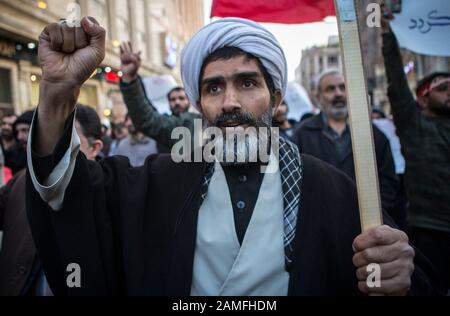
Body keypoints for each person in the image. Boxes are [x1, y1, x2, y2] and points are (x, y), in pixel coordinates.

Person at [26, 16, 437, 296]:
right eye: (214, 88)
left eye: (247, 83)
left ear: (275, 98)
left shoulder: (334, 189)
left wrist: (397, 274)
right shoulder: (158, 180)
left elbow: (392, 274)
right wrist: (58, 92)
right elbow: (71, 191)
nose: (230, 102)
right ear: (199, 104)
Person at [381, 4, 450, 293]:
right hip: (429, 230)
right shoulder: (413, 124)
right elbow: (397, 82)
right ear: (422, 99)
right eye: (443, 88)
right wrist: (385, 34)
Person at [0, 104, 103, 295]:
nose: (53, 145)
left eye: (66, 138)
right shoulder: (20, 182)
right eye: (46, 135)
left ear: (94, 147)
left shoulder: (110, 194)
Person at [292, 70, 401, 226]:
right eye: (330, 89)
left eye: (343, 87)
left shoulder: (373, 134)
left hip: (366, 225)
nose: (339, 94)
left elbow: (388, 181)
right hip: (320, 224)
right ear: (318, 97)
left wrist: (375, 215)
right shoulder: (303, 134)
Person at [119, 42, 202, 151]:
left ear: (190, 101)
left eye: (181, 98)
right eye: (173, 99)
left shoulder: (197, 122)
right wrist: (130, 80)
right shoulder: (171, 126)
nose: (177, 102)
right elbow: (146, 119)